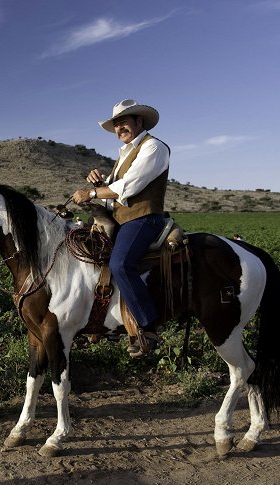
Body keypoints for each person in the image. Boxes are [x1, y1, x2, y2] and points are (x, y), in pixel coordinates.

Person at [71, 99, 170, 357]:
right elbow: (111, 196)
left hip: (142, 219)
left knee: (120, 264)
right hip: (122, 219)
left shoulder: (154, 147)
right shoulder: (123, 154)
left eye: (124, 122)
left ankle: (147, 328)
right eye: (116, 124)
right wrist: (101, 184)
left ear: (140, 121)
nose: (119, 128)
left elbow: (130, 188)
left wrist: (92, 191)